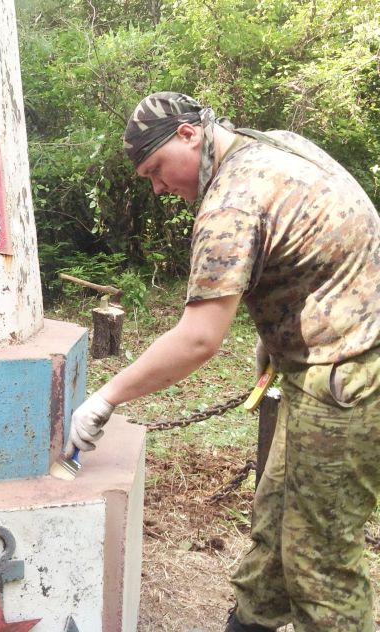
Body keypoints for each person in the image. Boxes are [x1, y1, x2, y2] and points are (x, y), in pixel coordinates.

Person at [66, 92, 380, 632]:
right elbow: (329, 238)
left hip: (350, 375)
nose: (159, 187)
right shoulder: (275, 145)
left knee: (320, 564)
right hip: (328, 359)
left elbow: (198, 340)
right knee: (275, 521)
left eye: (157, 169)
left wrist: (105, 396)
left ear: (188, 133)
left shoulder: (229, 202)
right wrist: (282, 334)